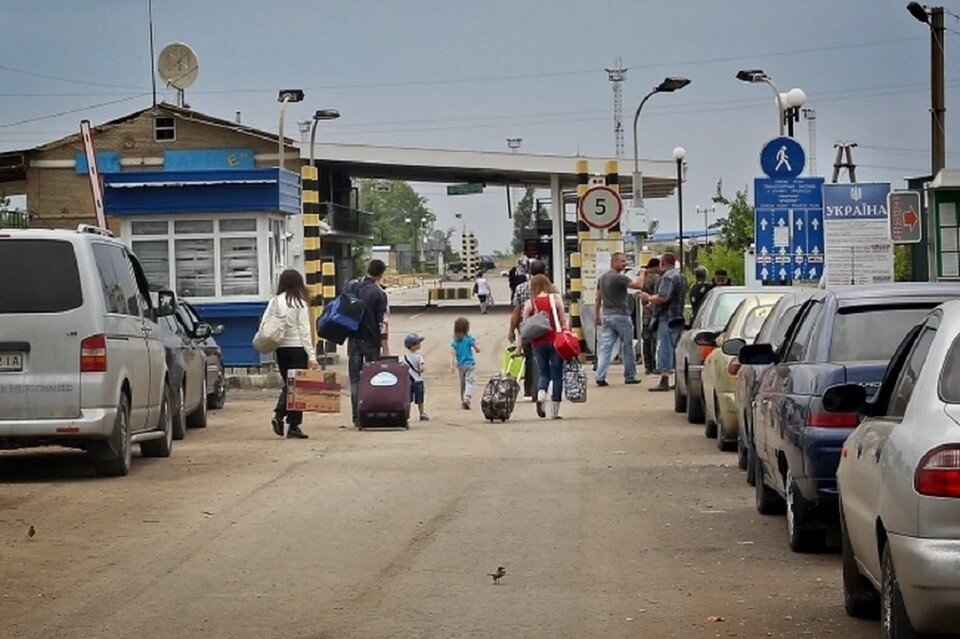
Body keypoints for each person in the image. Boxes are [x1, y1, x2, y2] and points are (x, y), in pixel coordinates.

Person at [267, 269, 319, 439]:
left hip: (281, 348)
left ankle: (285, 419)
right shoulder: (300, 302)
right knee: (296, 387)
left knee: (289, 385)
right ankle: (288, 421)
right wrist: (311, 356)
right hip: (297, 348)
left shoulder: (275, 301)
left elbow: (266, 323)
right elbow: (305, 331)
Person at [348, 259, 389, 426]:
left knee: (355, 379)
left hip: (353, 338)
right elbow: (381, 322)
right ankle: (369, 413)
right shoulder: (379, 294)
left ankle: (356, 417)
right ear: (380, 275)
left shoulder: (352, 287)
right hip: (371, 340)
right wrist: (385, 346)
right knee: (371, 378)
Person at [594, 252, 645, 386]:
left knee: (606, 347)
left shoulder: (602, 278)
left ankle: (600, 375)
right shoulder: (619, 278)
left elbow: (598, 297)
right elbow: (638, 285)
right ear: (614, 262)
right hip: (621, 315)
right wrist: (643, 272)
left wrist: (597, 315)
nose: (625, 263)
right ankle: (630, 375)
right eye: (622, 261)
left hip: (607, 315)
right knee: (627, 346)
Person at [522, 273, 567, 419]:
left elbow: (525, 324)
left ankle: (541, 395)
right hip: (555, 341)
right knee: (557, 374)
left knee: (544, 372)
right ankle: (555, 410)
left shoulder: (531, 302)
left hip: (537, 343)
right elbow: (563, 321)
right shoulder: (555, 299)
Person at [641, 253, 686, 393]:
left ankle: (664, 379)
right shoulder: (680, 276)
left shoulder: (667, 277)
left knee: (664, 348)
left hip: (666, 317)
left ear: (663, 263)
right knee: (675, 349)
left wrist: (649, 298)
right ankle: (678, 381)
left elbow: (663, 297)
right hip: (677, 317)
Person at [509, 259, 545, 400]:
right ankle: (539, 387)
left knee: (529, 357)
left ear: (530, 272)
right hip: (544, 328)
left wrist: (511, 330)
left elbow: (516, 311)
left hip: (526, 328)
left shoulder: (521, 288)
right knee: (542, 357)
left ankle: (529, 389)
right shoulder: (549, 289)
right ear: (545, 272)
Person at [450, 317, 480, 409]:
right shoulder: (469, 339)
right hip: (470, 364)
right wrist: (477, 346)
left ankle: (463, 399)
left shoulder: (455, 340)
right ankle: (467, 398)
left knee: (462, 383)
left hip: (460, 365)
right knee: (470, 381)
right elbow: (477, 349)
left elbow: (453, 353)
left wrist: (452, 365)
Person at [640, 258, 661, 376]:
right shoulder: (656, 278)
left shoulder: (646, 278)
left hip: (646, 314)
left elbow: (643, 295)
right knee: (655, 340)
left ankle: (648, 366)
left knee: (646, 340)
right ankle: (655, 365)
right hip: (654, 313)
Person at [403, 332, 428, 421]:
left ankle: (407, 415)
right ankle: (422, 414)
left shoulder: (404, 356)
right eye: (418, 343)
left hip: (408, 381)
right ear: (413, 345)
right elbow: (422, 368)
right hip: (417, 380)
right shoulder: (419, 357)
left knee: (408, 399)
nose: (420, 344)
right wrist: (421, 369)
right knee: (420, 399)